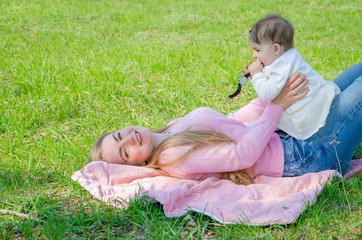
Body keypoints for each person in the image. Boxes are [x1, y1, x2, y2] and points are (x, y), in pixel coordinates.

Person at [92, 63, 362, 185]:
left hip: (294, 133)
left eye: (119, 135)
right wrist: (277, 105)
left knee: (356, 71)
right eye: (125, 152)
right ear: (138, 165)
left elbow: (232, 121)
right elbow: (241, 154)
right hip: (306, 156)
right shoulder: (173, 157)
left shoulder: (170, 130)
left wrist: (272, 92)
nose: (128, 139)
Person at [243, 14, 340, 140]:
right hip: (319, 98)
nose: (254, 55)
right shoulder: (288, 57)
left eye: (257, 50)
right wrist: (259, 77)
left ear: (276, 49)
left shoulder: (282, 66)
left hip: (307, 115)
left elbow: (267, 94)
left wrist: (257, 75)